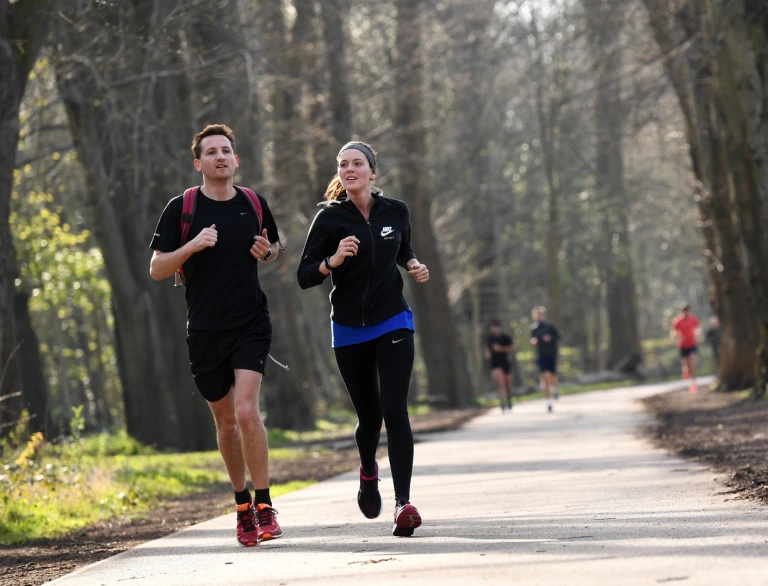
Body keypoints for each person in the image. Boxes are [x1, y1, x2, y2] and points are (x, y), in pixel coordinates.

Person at [149, 124, 283, 547]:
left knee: (246, 411)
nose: (221, 157)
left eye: (227, 150)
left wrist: (268, 252)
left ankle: (265, 506)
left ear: (236, 159)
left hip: (250, 323)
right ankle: (242, 504)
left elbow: (274, 246)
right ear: (199, 163)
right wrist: (191, 246)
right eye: (212, 152)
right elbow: (157, 268)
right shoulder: (181, 208)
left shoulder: (253, 203)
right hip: (205, 329)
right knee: (226, 424)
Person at [297, 141, 429, 537]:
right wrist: (332, 261)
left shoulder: (396, 211)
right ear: (339, 174)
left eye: (357, 163)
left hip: (393, 319)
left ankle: (403, 503)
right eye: (343, 165)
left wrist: (413, 263)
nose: (349, 169)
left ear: (373, 171)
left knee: (395, 411)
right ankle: (368, 471)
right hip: (350, 328)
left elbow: (403, 247)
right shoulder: (328, 220)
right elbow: (304, 275)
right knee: (369, 419)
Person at [530, 306, 560, 412]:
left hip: (551, 354)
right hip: (541, 355)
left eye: (540, 315)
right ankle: (548, 402)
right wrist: (534, 342)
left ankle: (554, 389)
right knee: (544, 377)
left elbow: (558, 337)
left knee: (552, 376)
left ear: (543, 315)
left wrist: (550, 338)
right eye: (537, 315)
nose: (539, 317)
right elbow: (533, 339)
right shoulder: (533, 328)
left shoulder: (550, 326)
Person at [484, 320, 515, 412]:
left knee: (507, 383)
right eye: (492, 328)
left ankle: (509, 399)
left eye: (496, 327)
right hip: (495, 364)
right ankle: (502, 402)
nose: (494, 329)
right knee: (499, 383)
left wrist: (500, 349)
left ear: (499, 328)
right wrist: (487, 354)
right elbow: (487, 351)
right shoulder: (489, 339)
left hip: (505, 362)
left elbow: (512, 348)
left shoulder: (505, 337)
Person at [671, 304, 700, 393]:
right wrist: (678, 336)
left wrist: (697, 333)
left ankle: (693, 384)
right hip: (683, 345)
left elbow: (698, 327)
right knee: (687, 366)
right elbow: (673, 332)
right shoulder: (677, 321)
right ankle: (686, 372)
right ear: (682, 311)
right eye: (685, 311)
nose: (687, 312)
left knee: (692, 363)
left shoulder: (692, 319)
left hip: (692, 344)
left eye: (688, 311)